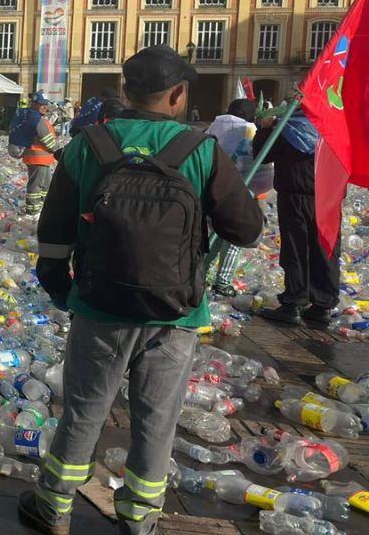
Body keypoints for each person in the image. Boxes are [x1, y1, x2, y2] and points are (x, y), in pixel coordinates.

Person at [22, 45, 263, 535]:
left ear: (126, 92)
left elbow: (54, 231)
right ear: (177, 95)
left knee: (85, 408)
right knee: (157, 419)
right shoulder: (200, 149)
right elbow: (246, 231)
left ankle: (54, 506)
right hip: (175, 314)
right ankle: (138, 517)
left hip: (99, 306)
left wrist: (61, 289)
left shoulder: (89, 144)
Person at [254, 106, 341, 327]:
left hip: (294, 195)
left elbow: (262, 155)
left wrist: (265, 129)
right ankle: (323, 306)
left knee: (295, 248)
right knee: (326, 249)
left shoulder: (287, 128)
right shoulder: (334, 128)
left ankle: (293, 303)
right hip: (328, 198)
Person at [205, 99, 274, 296]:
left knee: (215, 234)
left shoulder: (214, 127)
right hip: (240, 190)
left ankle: (201, 273)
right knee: (235, 237)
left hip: (214, 187)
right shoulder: (248, 130)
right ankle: (223, 282)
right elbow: (259, 162)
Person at [9, 92, 57, 215]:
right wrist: (58, 151)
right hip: (39, 158)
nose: (45, 107)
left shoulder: (29, 116)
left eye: (46, 105)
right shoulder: (36, 119)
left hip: (39, 159)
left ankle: (42, 210)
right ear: (34, 104)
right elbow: (46, 138)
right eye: (42, 104)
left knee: (44, 186)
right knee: (36, 187)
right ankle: (32, 212)